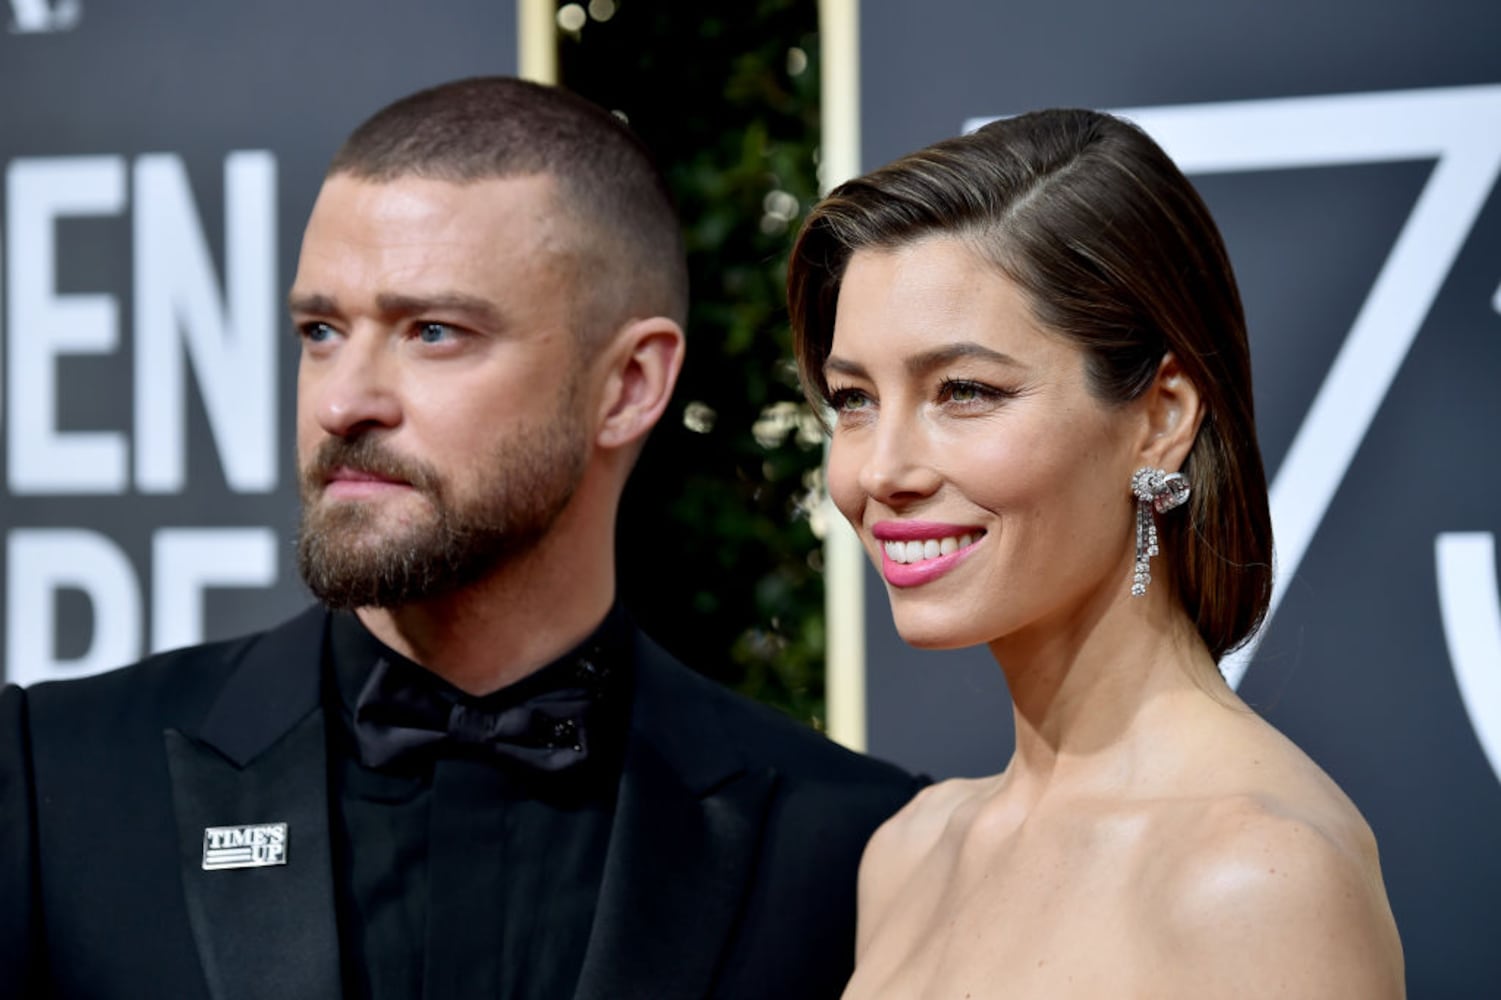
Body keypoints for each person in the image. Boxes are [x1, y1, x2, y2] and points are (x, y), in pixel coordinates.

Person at [0, 76, 918, 1000]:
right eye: (320, 331)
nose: (341, 400)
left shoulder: (849, 845)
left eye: (431, 331)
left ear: (629, 385)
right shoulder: (55, 781)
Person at [787, 109, 1404, 998]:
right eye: (852, 399)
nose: (880, 469)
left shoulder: (1257, 877)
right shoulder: (910, 851)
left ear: (1160, 418)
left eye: (963, 391)